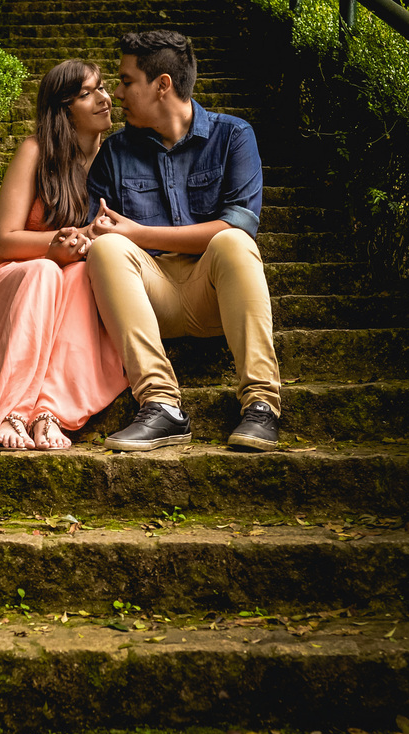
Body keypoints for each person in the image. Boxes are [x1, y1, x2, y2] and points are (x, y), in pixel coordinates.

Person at [84, 29, 282, 452]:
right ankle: (160, 406)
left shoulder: (233, 136)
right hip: (148, 295)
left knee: (234, 241)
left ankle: (262, 404)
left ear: (162, 85)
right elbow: (95, 230)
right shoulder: (115, 153)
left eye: (126, 80)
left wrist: (138, 232)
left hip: (215, 292)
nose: (116, 93)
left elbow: (237, 225)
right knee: (106, 247)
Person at [0, 59, 128, 451]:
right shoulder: (35, 151)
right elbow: (4, 240)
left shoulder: (116, 160)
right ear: (63, 110)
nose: (104, 98)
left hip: (67, 288)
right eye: (87, 93)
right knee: (46, 271)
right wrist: (52, 248)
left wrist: (89, 240)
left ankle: (49, 412)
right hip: (9, 284)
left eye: (103, 87)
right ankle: (10, 410)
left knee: (79, 276)